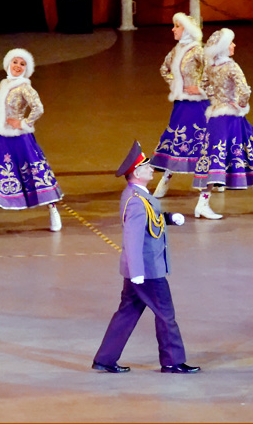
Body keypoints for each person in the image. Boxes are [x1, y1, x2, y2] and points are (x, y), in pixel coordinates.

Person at [92, 141, 200, 375]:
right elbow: (132, 238)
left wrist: (170, 218)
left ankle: (106, 358)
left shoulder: (138, 196)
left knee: (127, 312)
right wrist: (138, 271)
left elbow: (153, 219)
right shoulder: (136, 202)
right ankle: (172, 361)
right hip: (148, 271)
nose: (152, 170)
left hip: (140, 271)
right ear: (136, 173)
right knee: (166, 314)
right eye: (147, 167)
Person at [0, 49, 63, 236]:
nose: (17, 66)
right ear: (8, 64)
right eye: (15, 62)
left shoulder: (24, 87)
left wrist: (23, 123)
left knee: (36, 173)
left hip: (20, 139)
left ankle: (53, 212)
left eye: (22, 64)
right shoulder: (2, 86)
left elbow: (38, 108)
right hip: (2, 139)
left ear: (26, 69)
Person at [191, 28, 253, 218]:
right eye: (231, 43)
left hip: (216, 116)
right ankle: (202, 204)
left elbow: (205, 86)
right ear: (223, 47)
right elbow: (244, 90)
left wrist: (217, 101)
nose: (234, 45)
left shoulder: (210, 67)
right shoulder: (231, 66)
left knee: (229, 155)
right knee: (239, 153)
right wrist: (240, 104)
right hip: (231, 118)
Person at [150, 13, 211, 210]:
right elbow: (164, 69)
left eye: (177, 26)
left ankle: (211, 177)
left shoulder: (199, 52)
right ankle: (167, 176)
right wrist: (177, 85)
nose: (173, 30)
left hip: (198, 104)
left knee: (202, 140)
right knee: (176, 137)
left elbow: (214, 71)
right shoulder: (176, 51)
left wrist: (200, 87)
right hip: (181, 104)